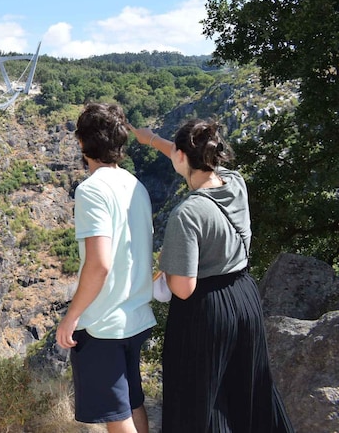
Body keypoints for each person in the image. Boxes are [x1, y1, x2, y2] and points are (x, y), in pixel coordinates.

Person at [132, 119, 294, 433]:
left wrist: (164, 268)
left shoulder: (188, 213)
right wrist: (152, 139)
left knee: (201, 402)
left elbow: (182, 287)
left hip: (207, 312)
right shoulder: (235, 182)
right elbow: (191, 156)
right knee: (247, 393)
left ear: (181, 157)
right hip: (245, 299)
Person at [56, 103, 156, 433]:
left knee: (116, 414)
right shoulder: (135, 186)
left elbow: (99, 264)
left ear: (83, 144)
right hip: (135, 316)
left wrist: (71, 317)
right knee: (132, 402)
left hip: (103, 324)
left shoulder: (91, 190)